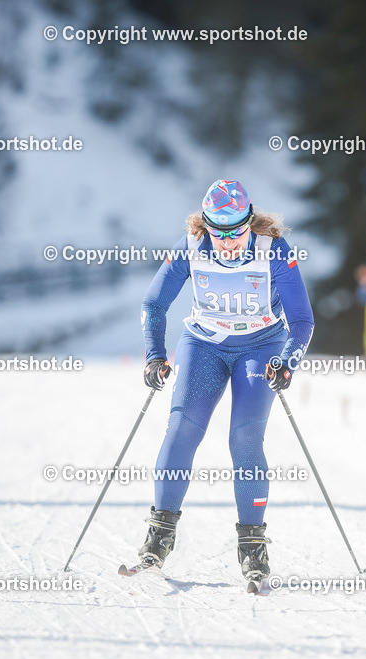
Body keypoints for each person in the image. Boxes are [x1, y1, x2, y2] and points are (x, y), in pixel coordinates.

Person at [136, 179, 315, 583]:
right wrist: (154, 354)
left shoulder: (274, 250)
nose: (228, 241)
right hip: (205, 344)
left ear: (250, 223)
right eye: (219, 233)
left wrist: (287, 361)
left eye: (237, 231)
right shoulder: (191, 246)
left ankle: (253, 548)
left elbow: (302, 319)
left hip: (260, 347)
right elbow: (153, 303)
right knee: (182, 429)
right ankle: (158, 537)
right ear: (206, 227)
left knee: (244, 438)